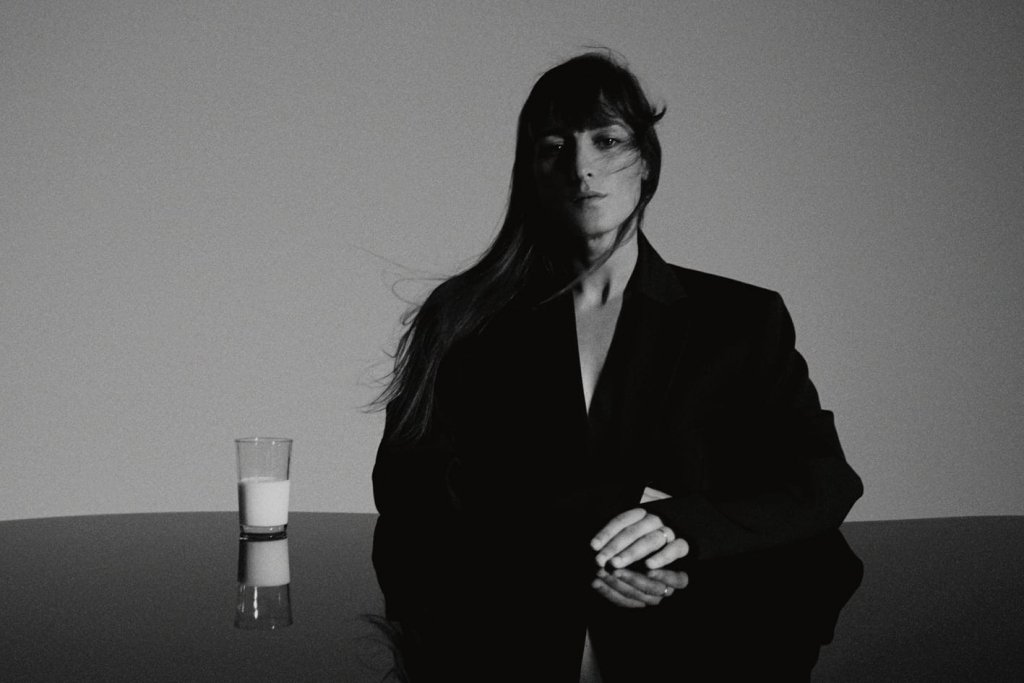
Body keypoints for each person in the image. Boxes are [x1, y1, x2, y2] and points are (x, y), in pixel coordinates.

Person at [371, 51, 863, 680]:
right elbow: (408, 493)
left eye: (607, 140)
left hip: (700, 642)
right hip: (505, 640)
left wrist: (685, 522)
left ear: (646, 162)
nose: (582, 167)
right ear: (531, 173)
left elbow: (823, 479)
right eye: (555, 147)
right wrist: (594, 510)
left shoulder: (741, 319)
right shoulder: (463, 319)